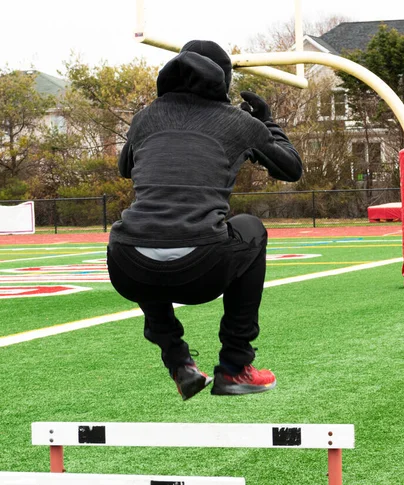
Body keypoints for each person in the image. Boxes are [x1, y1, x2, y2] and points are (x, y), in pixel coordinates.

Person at [107, 40, 303, 400]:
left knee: (143, 229)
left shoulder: (146, 117)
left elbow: (125, 168)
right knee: (251, 229)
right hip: (201, 270)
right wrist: (266, 123)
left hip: (126, 268)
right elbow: (291, 168)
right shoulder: (239, 122)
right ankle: (235, 365)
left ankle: (178, 360)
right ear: (223, 80)